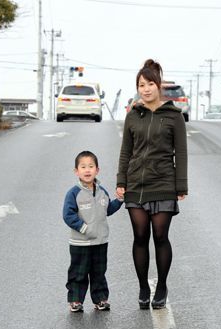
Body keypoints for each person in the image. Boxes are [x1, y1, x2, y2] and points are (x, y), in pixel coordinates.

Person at [116, 59, 188, 310]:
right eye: (140, 85)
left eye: (149, 84)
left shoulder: (174, 116)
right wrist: (121, 181)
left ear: (158, 86)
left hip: (164, 182)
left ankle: (162, 286)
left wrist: (181, 185)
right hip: (136, 184)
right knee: (139, 236)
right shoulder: (133, 116)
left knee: (160, 236)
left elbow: (182, 152)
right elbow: (126, 151)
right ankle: (143, 287)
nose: (145, 89)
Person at [63, 151, 124, 312]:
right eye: (83, 167)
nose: (87, 170)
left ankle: (100, 299)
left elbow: (107, 210)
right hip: (80, 242)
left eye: (91, 166)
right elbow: (68, 215)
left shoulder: (102, 191)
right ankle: (75, 300)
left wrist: (119, 201)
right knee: (79, 272)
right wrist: (84, 228)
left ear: (97, 170)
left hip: (100, 241)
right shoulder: (74, 193)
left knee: (99, 272)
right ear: (76, 171)